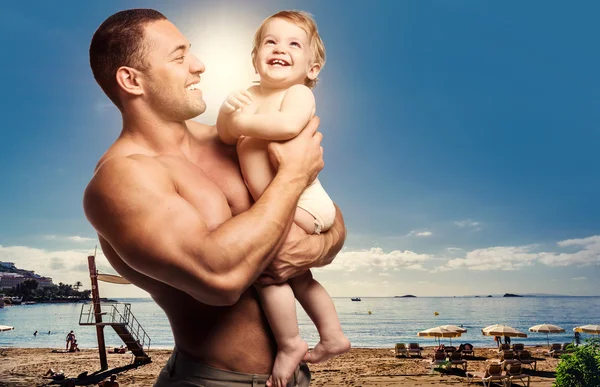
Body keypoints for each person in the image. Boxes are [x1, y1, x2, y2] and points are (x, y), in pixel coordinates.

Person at [84, 8, 346, 387]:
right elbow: (221, 281)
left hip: (293, 377)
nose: (199, 65)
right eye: (179, 56)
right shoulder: (120, 179)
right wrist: (292, 175)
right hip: (215, 381)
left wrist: (308, 251)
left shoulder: (232, 139)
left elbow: (331, 220)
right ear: (132, 80)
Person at [216, 10, 349, 387]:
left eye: (294, 44)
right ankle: (333, 334)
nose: (280, 49)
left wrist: (240, 121)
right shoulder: (249, 97)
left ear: (312, 66)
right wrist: (228, 115)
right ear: (255, 57)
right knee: (299, 275)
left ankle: (290, 343)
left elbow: (287, 126)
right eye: (270, 42)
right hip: (288, 205)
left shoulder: (297, 94)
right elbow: (225, 136)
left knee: (266, 269)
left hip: (306, 202)